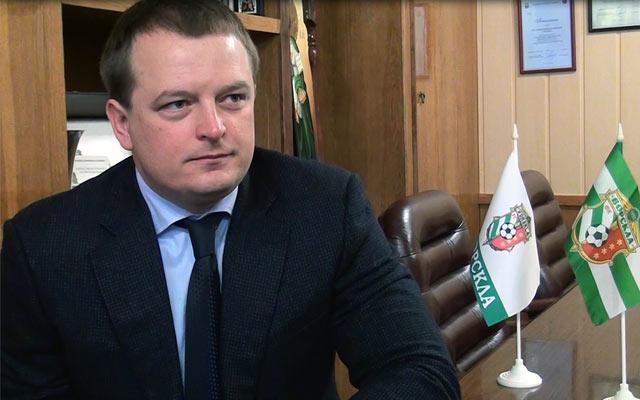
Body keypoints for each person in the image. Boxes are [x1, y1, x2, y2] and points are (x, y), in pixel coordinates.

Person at [1, 1, 460, 399]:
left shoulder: (325, 207)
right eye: (178, 104)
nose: (214, 127)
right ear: (122, 124)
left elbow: (420, 369)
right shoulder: (44, 247)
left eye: (233, 98)